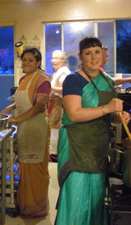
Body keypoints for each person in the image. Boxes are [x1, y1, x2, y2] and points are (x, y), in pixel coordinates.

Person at [55, 37, 130, 225]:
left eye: (97, 52)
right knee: (76, 196)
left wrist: (119, 116)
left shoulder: (106, 80)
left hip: (98, 147)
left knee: (96, 197)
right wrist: (107, 108)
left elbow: (109, 117)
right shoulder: (73, 80)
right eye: (88, 53)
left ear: (103, 54)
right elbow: (74, 114)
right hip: (76, 146)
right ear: (81, 56)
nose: (94, 57)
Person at [1, 48, 51, 218]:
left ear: (38, 63)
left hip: (36, 127)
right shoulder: (24, 79)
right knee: (25, 167)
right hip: (25, 127)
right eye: (24, 60)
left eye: (31, 60)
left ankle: (36, 209)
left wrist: (17, 119)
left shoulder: (42, 79)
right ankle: (25, 205)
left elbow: (40, 106)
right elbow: (21, 101)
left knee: (35, 168)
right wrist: (10, 108)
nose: (26, 63)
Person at [48, 50, 71, 162]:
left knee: (56, 132)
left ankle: (55, 157)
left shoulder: (63, 71)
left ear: (63, 60)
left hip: (59, 106)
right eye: (53, 58)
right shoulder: (57, 71)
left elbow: (65, 90)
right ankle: (54, 155)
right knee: (53, 131)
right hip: (54, 106)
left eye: (57, 58)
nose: (53, 60)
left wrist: (50, 87)